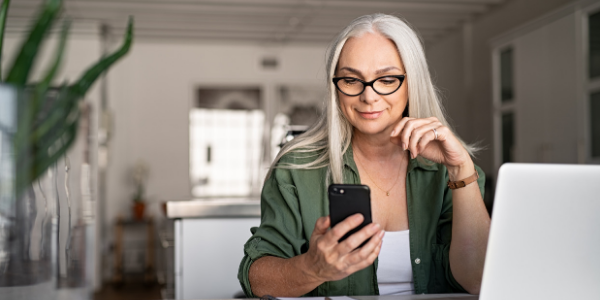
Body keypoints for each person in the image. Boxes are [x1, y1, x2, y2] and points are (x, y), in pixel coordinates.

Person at [238, 13, 490, 297]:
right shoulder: (297, 167)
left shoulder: (453, 172)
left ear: (412, 82)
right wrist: (312, 268)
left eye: (386, 79)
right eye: (351, 80)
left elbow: (479, 280)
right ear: (336, 87)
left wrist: (461, 170)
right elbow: (256, 280)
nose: (368, 96)